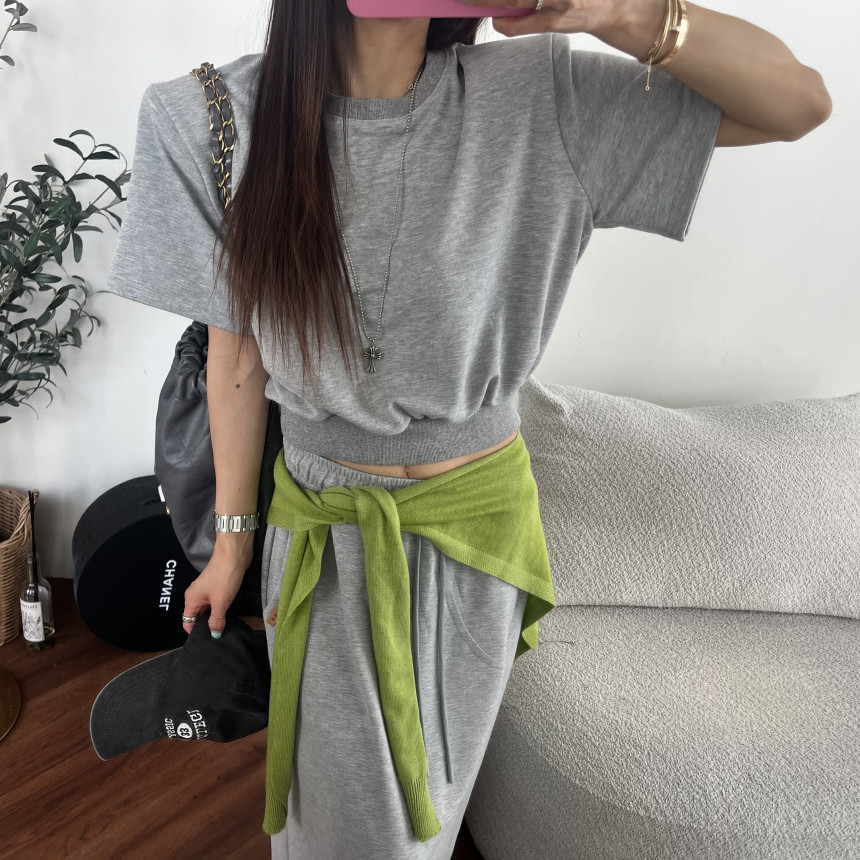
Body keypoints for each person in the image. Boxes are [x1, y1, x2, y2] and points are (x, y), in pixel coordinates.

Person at [105, 0, 831, 857]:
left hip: (481, 538)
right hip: (329, 542)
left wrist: (615, 12)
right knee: (352, 834)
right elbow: (236, 357)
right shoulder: (207, 117)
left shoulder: (541, 97)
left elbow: (797, 105)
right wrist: (231, 544)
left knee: (431, 819)